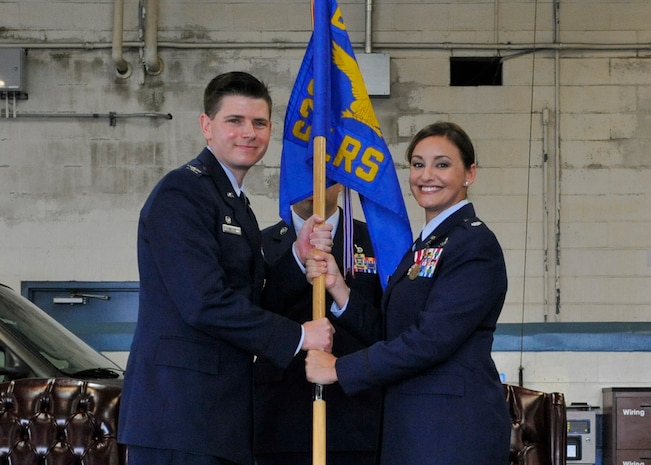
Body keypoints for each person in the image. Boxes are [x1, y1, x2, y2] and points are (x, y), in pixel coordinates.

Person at [117, 71, 335, 465]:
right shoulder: (182, 193)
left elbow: (249, 296)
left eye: (259, 123)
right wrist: (299, 337)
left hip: (217, 418)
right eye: (234, 121)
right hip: (177, 416)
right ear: (207, 126)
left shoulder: (235, 204)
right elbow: (203, 302)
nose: (248, 133)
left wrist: (297, 258)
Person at [304, 121, 511, 465]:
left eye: (442, 164)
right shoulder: (426, 244)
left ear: (469, 174)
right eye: (418, 164)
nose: (427, 175)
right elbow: (394, 333)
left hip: (451, 433)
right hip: (415, 429)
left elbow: (430, 340)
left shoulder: (473, 244)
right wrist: (339, 288)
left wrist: (340, 369)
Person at [254, 184, 383, 465]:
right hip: (281, 423)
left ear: (339, 180)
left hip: (357, 421)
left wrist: (343, 297)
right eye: (304, 170)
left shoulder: (375, 240)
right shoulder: (260, 245)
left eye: (323, 171)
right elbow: (253, 318)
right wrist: (296, 263)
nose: (313, 182)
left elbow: (386, 329)